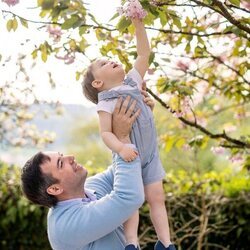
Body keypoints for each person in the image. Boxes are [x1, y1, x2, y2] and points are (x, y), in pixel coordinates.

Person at [81, 10, 175, 250]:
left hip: (151, 156)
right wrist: (121, 148)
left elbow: (144, 53)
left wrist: (138, 23)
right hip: (128, 157)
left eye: (108, 58)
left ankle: (166, 243)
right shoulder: (106, 101)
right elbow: (105, 133)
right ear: (98, 83)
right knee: (131, 203)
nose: (110, 59)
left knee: (157, 199)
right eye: (103, 63)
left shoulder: (133, 82)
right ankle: (131, 243)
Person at [21, 96, 148, 250]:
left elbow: (129, 164)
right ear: (55, 189)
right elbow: (129, 197)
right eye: (61, 163)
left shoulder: (90, 188)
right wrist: (121, 138)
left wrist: (141, 122)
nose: (71, 157)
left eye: (62, 155)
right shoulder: (66, 227)